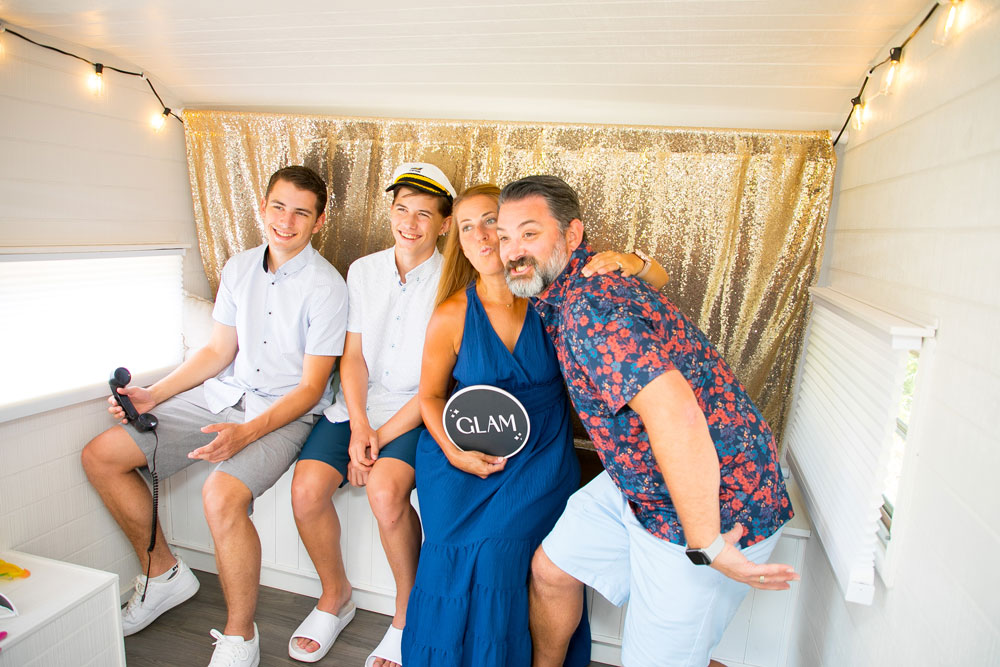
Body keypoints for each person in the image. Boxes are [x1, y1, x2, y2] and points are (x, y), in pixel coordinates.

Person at [495, 175, 798, 667]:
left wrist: (707, 544)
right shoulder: (579, 283)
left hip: (711, 500)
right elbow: (653, 279)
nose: (513, 250)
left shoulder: (589, 308)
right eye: (505, 237)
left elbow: (674, 414)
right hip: (640, 482)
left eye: (529, 233)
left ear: (572, 237)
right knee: (553, 569)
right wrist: (636, 261)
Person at [81, 166, 348, 667]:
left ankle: (239, 637)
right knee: (101, 456)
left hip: (285, 412)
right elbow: (219, 350)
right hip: (226, 394)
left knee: (220, 495)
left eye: (301, 212)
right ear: (261, 207)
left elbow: (312, 388)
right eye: (278, 207)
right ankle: (163, 576)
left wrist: (245, 434)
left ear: (320, 221)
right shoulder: (239, 267)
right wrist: (153, 395)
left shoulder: (328, 287)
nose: (286, 222)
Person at [401, 184, 669, 667]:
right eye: (467, 227)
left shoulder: (554, 297)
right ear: (457, 241)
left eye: (491, 223)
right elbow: (430, 396)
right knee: (452, 553)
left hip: (540, 456)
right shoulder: (451, 314)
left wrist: (632, 260)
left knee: (501, 555)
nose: (482, 236)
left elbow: (657, 282)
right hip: (459, 457)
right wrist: (455, 452)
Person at [288, 163, 455, 667]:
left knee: (384, 492)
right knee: (306, 490)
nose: (410, 223)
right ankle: (335, 597)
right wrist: (360, 426)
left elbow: (437, 384)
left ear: (444, 224)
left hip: (414, 411)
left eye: (424, 214)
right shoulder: (363, 270)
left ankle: (407, 615)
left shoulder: (454, 280)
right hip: (356, 405)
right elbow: (352, 356)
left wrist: (379, 438)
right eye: (402, 209)